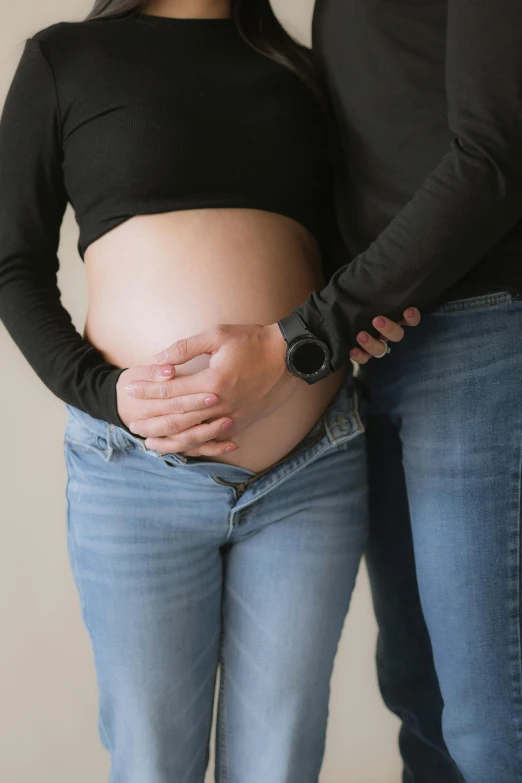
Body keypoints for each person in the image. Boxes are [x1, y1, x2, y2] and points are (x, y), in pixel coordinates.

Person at [0, 0, 419, 781]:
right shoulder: (66, 61)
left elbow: (350, 256)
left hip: (310, 475)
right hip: (134, 474)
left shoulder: (299, 73)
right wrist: (103, 392)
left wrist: (367, 321)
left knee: (280, 765)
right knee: (153, 762)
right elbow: (10, 262)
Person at [134, 1, 522, 781]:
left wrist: (309, 331)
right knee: (423, 703)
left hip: (479, 329)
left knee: (490, 718)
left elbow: (494, 156)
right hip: (387, 350)